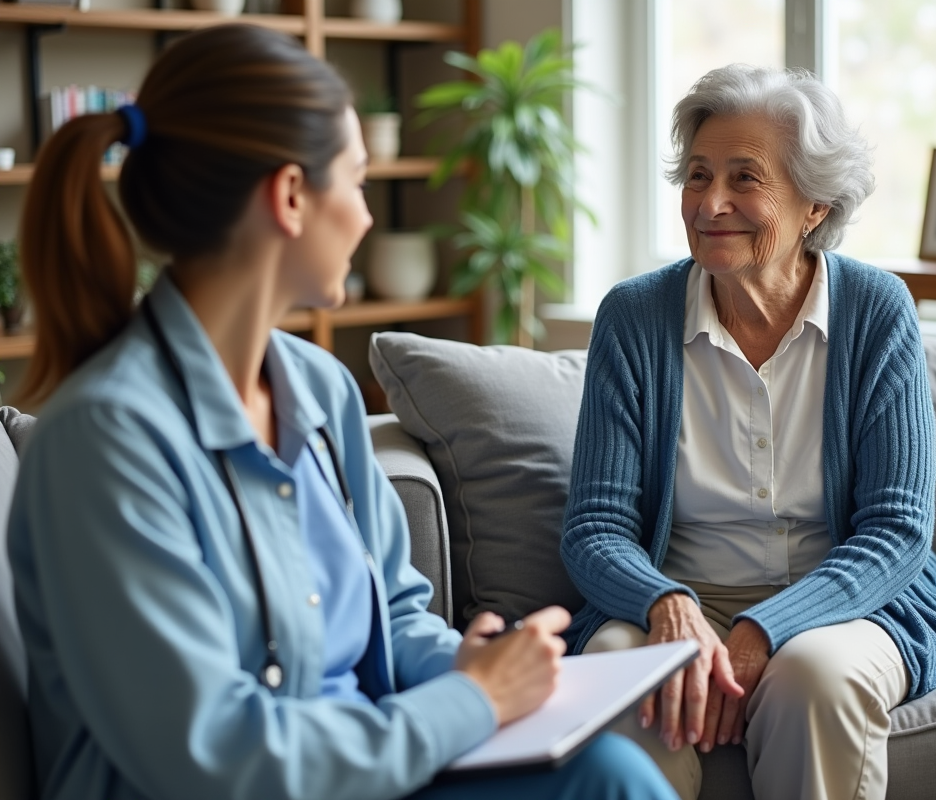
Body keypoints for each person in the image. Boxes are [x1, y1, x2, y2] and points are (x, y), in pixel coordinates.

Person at [7, 24, 676, 800]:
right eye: (356, 183)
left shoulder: (319, 389)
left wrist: (462, 664)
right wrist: (473, 701)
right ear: (291, 196)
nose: (364, 217)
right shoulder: (106, 440)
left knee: (610, 775)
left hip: (364, 767)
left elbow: (394, 610)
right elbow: (215, 757)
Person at [560, 64, 936, 800]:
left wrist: (762, 633)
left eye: (744, 178)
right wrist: (670, 606)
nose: (710, 202)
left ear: (815, 204)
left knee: (814, 680)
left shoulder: (878, 312)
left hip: (846, 599)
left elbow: (896, 531)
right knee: (631, 687)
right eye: (697, 175)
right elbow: (595, 527)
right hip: (677, 592)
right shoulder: (632, 319)